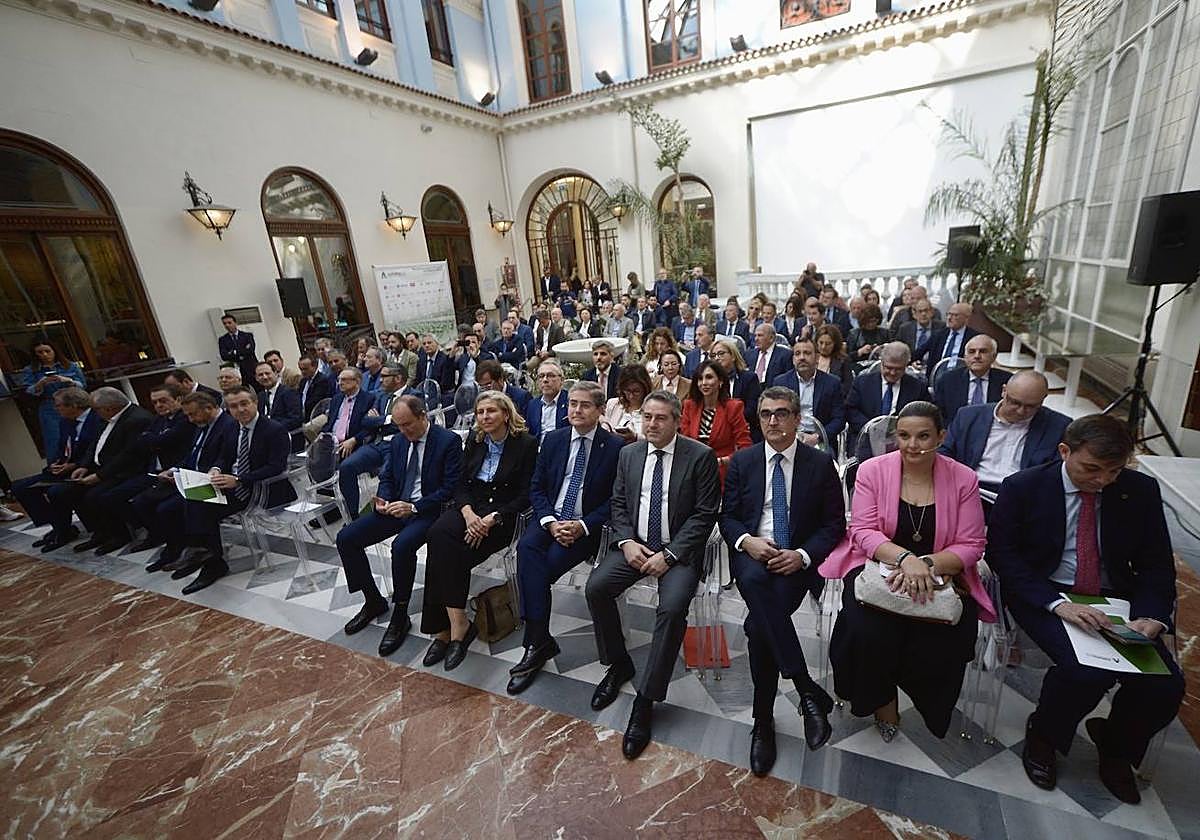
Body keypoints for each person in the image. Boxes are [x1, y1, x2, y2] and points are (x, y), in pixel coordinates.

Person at [987, 414, 1185, 805]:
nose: (1103, 481)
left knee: (1164, 685)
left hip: (1117, 599)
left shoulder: (1138, 490)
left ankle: (1116, 747)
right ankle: (1044, 736)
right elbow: (1004, 557)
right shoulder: (1025, 487)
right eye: (1092, 469)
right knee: (1084, 672)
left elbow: (1156, 563)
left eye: (1114, 471)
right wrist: (1058, 605)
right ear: (1065, 451)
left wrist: (1151, 615)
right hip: (1048, 592)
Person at [820, 401, 993, 742]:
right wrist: (905, 560)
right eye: (904, 436)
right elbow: (863, 531)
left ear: (941, 436)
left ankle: (928, 704)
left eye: (923, 436)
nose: (912, 445)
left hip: (939, 574)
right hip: (879, 567)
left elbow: (972, 544)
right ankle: (882, 700)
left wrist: (927, 565)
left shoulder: (963, 478)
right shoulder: (872, 471)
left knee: (945, 638)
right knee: (867, 632)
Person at [585, 390, 720, 759]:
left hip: (678, 552)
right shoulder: (628, 454)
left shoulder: (700, 456)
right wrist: (626, 542)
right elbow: (618, 503)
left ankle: (646, 699)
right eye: (647, 417)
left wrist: (671, 554)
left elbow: (705, 514)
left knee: (672, 608)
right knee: (596, 588)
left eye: (661, 418)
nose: (652, 424)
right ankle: (618, 663)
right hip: (636, 546)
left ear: (677, 420)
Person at [721, 387, 846, 773]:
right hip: (753, 555)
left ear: (797, 418)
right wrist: (748, 542)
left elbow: (834, 525)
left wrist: (803, 556)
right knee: (757, 587)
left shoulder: (819, 464)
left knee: (759, 629)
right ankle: (806, 690)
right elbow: (727, 517)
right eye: (765, 415)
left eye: (781, 413)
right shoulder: (743, 461)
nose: (772, 421)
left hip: (796, 560)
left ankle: (763, 724)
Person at [508, 381, 624, 694]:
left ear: (600, 410)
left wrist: (583, 525)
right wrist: (548, 521)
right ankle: (538, 640)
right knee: (527, 549)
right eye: (572, 403)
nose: (576, 410)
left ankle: (536, 643)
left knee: (539, 571)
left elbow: (615, 501)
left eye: (585, 405)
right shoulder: (555, 440)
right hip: (550, 519)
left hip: (584, 527)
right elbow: (537, 487)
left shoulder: (614, 448)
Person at [336, 395, 463, 655]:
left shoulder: (448, 441)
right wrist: (383, 497)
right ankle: (373, 600)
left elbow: (450, 488)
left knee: (402, 547)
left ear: (423, 416)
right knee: (347, 538)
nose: (404, 431)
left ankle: (401, 612)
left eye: (408, 425)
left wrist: (414, 506)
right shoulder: (397, 441)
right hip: (396, 505)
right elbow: (388, 476)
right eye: (399, 425)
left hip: (427, 510)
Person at [420, 392, 538, 671]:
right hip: (471, 507)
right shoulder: (475, 441)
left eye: (490, 411)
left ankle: (447, 630)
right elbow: (460, 485)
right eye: (480, 412)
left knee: (450, 551)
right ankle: (457, 623)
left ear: (506, 414)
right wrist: (469, 513)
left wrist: (492, 518)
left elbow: (528, 494)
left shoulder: (526, 444)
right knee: (437, 534)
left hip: (502, 514)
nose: (484, 417)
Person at [164, 386, 294, 593]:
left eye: (244, 404)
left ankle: (209, 559)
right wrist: (216, 470)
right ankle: (203, 553)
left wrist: (239, 479)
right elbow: (225, 456)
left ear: (255, 403)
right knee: (189, 496)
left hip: (261, 489)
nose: (240, 410)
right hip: (231, 485)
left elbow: (276, 467)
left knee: (202, 507)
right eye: (233, 406)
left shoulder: (273, 429)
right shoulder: (232, 428)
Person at [43, 387, 153, 555]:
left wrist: (99, 476)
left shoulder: (136, 420)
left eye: (96, 409)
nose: (93, 413)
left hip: (127, 471)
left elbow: (128, 456)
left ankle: (119, 535)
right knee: (68, 492)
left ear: (109, 408)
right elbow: (95, 445)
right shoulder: (107, 418)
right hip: (104, 468)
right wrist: (84, 466)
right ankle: (100, 532)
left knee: (95, 495)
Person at [136, 391, 237, 570]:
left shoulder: (228, 425)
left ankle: (203, 555)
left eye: (193, 414)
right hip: (191, 477)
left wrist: (206, 474)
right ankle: (175, 549)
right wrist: (174, 470)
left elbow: (225, 458)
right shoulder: (201, 424)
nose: (190, 419)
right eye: (188, 415)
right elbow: (192, 454)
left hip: (214, 482)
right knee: (145, 500)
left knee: (172, 508)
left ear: (209, 408)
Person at [88, 383, 194, 554]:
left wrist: (154, 439)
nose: (159, 406)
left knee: (157, 505)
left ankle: (178, 544)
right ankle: (160, 537)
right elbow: (143, 442)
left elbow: (163, 441)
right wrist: (154, 439)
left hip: (178, 473)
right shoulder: (160, 419)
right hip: (155, 472)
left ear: (178, 399)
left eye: (163, 401)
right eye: (155, 403)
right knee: (125, 499)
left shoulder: (185, 418)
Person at [939, 370, 1070, 499]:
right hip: (970, 489)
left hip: (1020, 497)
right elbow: (944, 453)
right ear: (1004, 391)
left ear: (1042, 400)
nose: (1020, 411)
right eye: (1015, 402)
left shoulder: (1058, 427)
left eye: (1030, 406)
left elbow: (1056, 473)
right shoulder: (968, 416)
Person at [11, 387, 100, 548]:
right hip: (65, 468)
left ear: (73, 405)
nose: (56, 408)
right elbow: (62, 448)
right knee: (20, 487)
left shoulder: (96, 419)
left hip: (86, 469)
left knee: (56, 492)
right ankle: (57, 526)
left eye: (59, 405)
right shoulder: (65, 422)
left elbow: (96, 450)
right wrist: (57, 463)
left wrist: (76, 465)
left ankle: (63, 531)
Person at [337, 365, 410, 518]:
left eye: (385, 376)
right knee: (347, 467)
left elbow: (406, 421)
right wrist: (389, 419)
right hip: (378, 443)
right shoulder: (380, 396)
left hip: (401, 443)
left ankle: (383, 513)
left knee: (386, 474)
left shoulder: (414, 395)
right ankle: (353, 516)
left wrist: (379, 420)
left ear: (397, 378)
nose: (380, 380)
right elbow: (365, 421)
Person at [680, 360, 751, 485]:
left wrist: (725, 461)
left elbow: (745, 445)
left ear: (721, 381)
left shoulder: (733, 407)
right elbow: (685, 442)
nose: (704, 383)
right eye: (700, 379)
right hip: (693, 471)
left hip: (722, 472)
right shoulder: (689, 406)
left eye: (709, 377)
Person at [845, 342, 931, 438]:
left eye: (898, 369)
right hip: (865, 436)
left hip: (903, 439)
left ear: (906, 365)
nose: (893, 373)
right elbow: (850, 410)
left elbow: (925, 415)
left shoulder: (917, 387)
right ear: (881, 362)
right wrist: (871, 429)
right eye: (889, 368)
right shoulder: (862, 383)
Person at [772, 337, 845, 449]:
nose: (802, 358)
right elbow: (776, 416)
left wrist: (818, 437)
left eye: (807, 353)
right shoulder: (781, 382)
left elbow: (839, 419)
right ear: (793, 359)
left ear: (817, 358)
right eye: (797, 354)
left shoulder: (832, 383)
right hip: (789, 437)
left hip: (820, 440)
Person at [20, 341, 86, 464]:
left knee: (80, 433)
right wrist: (40, 384)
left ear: (55, 351)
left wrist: (69, 380)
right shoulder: (31, 370)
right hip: (49, 405)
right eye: (40, 352)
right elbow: (28, 391)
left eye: (47, 351)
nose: (44, 355)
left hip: (73, 404)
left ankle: (82, 463)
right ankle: (57, 467)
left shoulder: (70, 366)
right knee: (54, 439)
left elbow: (82, 385)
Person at [933, 335, 1011, 423]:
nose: (977, 356)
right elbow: (939, 415)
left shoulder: (1008, 381)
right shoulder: (947, 380)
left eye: (983, 351)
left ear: (994, 356)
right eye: (972, 352)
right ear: (965, 357)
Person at [710, 338, 762, 441]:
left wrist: (728, 421)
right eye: (713, 356)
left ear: (733, 356)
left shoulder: (749, 378)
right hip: (716, 429)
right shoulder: (710, 380)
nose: (717, 358)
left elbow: (752, 409)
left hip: (744, 428)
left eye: (721, 354)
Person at [602, 364, 654, 443]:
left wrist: (636, 437)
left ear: (645, 388)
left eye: (636, 391)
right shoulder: (613, 404)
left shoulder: (653, 408)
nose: (631, 396)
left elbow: (658, 439)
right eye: (627, 390)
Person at [922, 302, 978, 369]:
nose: (949, 318)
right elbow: (918, 353)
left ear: (966, 318)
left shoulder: (974, 338)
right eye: (948, 314)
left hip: (960, 375)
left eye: (955, 315)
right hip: (937, 375)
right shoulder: (938, 335)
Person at [524, 360, 569, 440]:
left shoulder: (569, 401)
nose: (545, 380)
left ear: (561, 380)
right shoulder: (533, 404)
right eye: (541, 376)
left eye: (550, 376)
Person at [253, 361, 302, 431]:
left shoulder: (289, 392)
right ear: (256, 378)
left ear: (276, 373)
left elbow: (296, 419)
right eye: (260, 375)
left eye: (267, 373)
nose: (265, 377)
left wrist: (272, 428)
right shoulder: (260, 396)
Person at [217, 312, 258, 386]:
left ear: (235, 323)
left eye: (229, 323)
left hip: (251, 368)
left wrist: (233, 352)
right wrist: (242, 351)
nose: (227, 325)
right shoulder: (222, 340)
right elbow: (224, 356)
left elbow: (251, 350)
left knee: (259, 389)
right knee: (243, 391)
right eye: (225, 323)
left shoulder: (247, 336)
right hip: (237, 371)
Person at [815, 324, 853, 396]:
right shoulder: (811, 357)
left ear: (835, 344)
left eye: (828, 344)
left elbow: (847, 387)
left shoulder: (843, 360)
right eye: (821, 343)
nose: (823, 347)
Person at [296, 353, 333, 421]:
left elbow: (315, 402)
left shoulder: (322, 381)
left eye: (305, 369)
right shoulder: (303, 381)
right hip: (302, 417)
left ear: (315, 366)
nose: (303, 372)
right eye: (301, 369)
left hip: (316, 417)